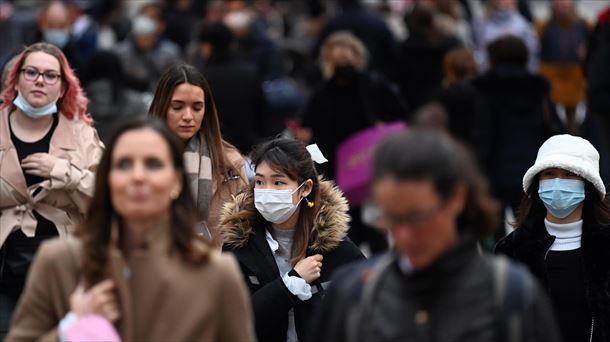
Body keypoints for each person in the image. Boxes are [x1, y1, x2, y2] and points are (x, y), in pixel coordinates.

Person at [6, 118, 256, 342]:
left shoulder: (217, 275)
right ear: (107, 180)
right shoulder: (60, 262)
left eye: (153, 164)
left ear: (177, 182)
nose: (137, 176)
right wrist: (71, 331)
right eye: (124, 165)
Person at [309, 129, 561, 342]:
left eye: (417, 217)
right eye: (392, 219)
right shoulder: (351, 297)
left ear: (457, 199)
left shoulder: (512, 296)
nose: (404, 236)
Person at [0, 42, 103, 340]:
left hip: (66, 266)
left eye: (50, 75)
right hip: (5, 265)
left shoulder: (82, 134)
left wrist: (63, 172)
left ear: (62, 87)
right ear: (16, 79)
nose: (40, 81)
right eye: (31, 72)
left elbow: (105, 198)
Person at [220, 137, 364, 342]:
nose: (267, 191)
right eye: (260, 182)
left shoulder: (335, 247)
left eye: (278, 182)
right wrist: (290, 285)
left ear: (305, 188)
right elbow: (234, 321)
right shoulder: (240, 245)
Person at [300, 31, 407, 254]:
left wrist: (383, 127)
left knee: (376, 227)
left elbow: (400, 115)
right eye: (338, 61)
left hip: (372, 166)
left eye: (348, 60)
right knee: (348, 229)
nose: (344, 66)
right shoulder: (321, 94)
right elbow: (310, 131)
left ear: (358, 57)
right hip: (338, 170)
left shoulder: (374, 84)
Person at [496, 134, 610, 341]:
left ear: (587, 184)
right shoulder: (511, 249)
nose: (558, 182)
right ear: (537, 182)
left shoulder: (606, 247)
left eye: (569, 174)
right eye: (549, 173)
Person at [148, 64, 247, 246]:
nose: (188, 116)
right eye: (177, 107)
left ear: (206, 110)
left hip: (210, 267)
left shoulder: (229, 163)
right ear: (162, 107)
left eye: (197, 107)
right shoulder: (138, 159)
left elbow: (243, 233)